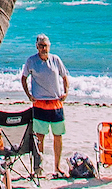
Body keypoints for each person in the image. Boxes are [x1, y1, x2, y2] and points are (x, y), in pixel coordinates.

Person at [19, 34, 72, 177]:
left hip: (56, 104)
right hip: (40, 104)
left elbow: (64, 77)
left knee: (58, 136)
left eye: (46, 46)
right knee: (40, 137)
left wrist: (66, 92)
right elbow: (23, 78)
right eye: (41, 46)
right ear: (37, 47)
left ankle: (57, 167)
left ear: (49, 46)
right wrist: (29, 95)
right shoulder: (31, 61)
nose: (44, 48)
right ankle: (39, 168)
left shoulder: (56, 60)